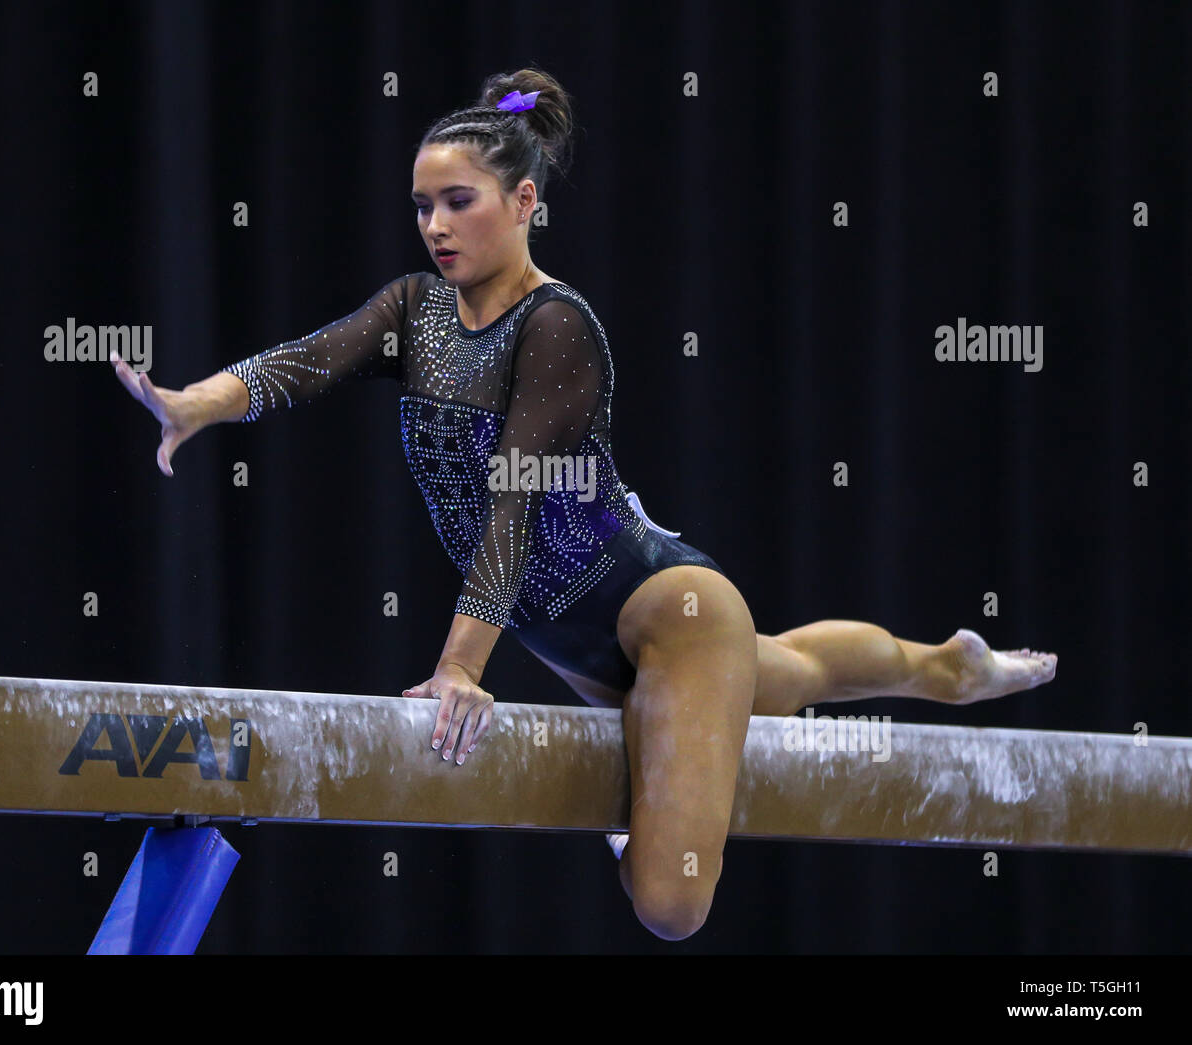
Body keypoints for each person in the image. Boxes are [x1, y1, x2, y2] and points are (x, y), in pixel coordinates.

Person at [112, 68, 1057, 942]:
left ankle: (935, 676)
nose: (435, 225)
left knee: (671, 904)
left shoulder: (557, 325)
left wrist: (457, 669)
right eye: (421, 206)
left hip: (667, 613)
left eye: (458, 201)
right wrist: (195, 403)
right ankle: (945, 667)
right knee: (790, 671)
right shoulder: (416, 309)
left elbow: (515, 502)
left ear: (524, 203)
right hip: (575, 641)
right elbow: (308, 360)